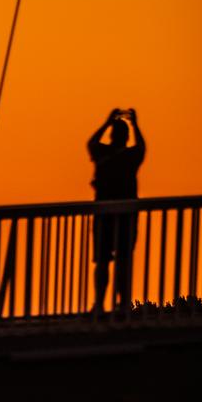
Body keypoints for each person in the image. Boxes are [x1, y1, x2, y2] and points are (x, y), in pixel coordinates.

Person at [87, 107, 145, 313]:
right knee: (121, 261)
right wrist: (135, 124)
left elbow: (91, 143)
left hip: (106, 215)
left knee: (106, 261)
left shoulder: (103, 153)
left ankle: (101, 303)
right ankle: (120, 303)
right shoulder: (130, 155)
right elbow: (142, 147)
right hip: (124, 215)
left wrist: (107, 121)